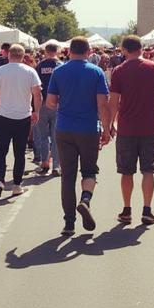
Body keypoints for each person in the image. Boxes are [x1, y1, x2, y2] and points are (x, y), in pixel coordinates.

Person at [109, 35, 154, 226]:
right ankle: (147, 210)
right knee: (148, 170)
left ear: (124, 50)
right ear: (141, 48)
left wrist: (109, 125)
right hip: (150, 127)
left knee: (126, 172)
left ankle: (126, 210)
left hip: (126, 128)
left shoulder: (118, 71)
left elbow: (113, 102)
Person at [47, 36, 112, 235]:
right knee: (89, 171)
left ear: (69, 51)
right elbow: (102, 104)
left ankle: (69, 223)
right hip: (89, 128)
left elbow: (50, 102)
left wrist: (64, 105)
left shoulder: (59, 71)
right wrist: (107, 129)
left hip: (64, 127)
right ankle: (85, 200)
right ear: (88, 51)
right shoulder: (96, 72)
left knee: (67, 176)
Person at [0, 44, 41, 198]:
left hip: (4, 116)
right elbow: (37, 94)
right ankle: (17, 185)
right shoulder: (30, 71)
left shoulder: (0, 71)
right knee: (19, 153)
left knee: (0, 151)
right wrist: (37, 111)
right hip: (23, 117)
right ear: (23, 56)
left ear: (8, 55)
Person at [33, 42, 61, 176]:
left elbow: (36, 87)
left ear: (45, 52)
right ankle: (56, 166)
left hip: (42, 103)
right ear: (57, 51)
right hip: (57, 104)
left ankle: (44, 162)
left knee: (44, 136)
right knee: (56, 137)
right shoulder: (61, 66)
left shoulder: (39, 66)